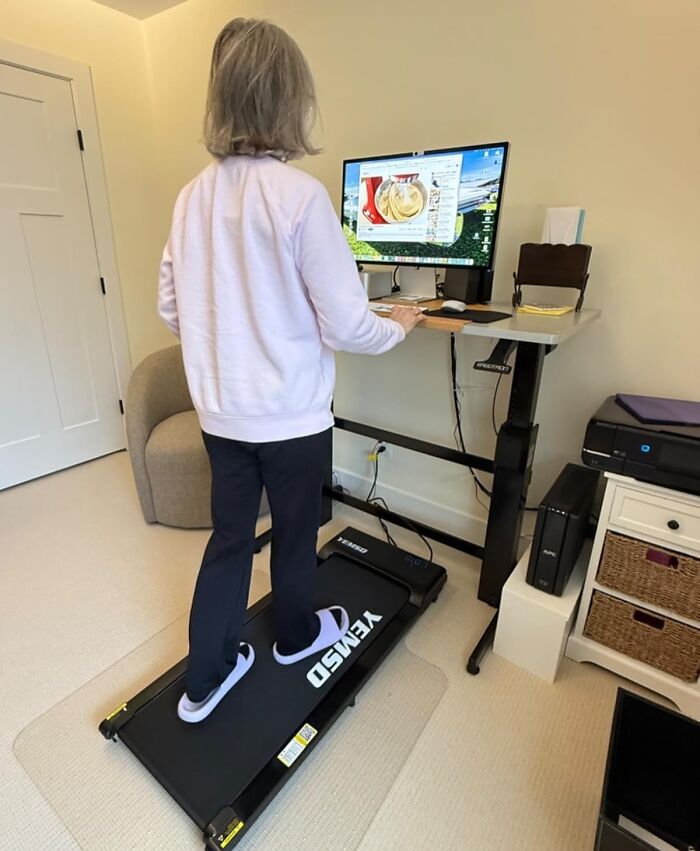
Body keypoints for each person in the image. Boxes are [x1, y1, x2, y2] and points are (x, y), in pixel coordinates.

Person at [158, 17, 424, 724]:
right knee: (298, 531)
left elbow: (170, 303)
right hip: (293, 421)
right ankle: (295, 638)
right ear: (288, 100)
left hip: (222, 414)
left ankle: (204, 678)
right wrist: (397, 327)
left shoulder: (190, 199)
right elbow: (345, 322)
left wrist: (228, 340)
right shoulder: (300, 197)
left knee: (229, 538)